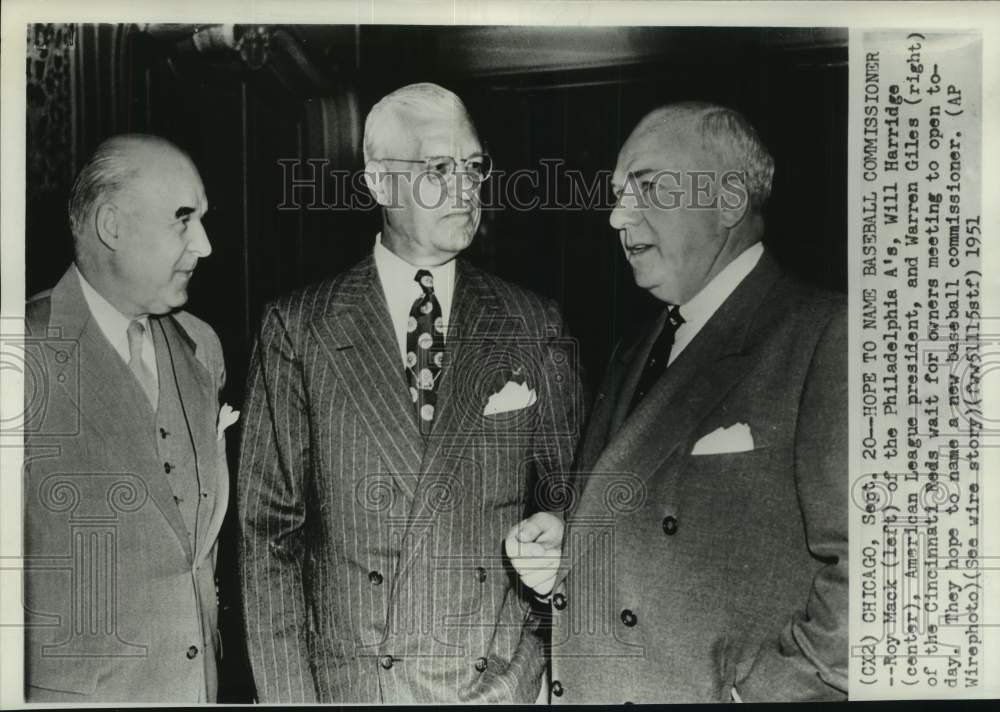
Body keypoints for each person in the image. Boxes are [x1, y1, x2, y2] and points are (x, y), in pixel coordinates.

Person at [237, 82, 580, 703]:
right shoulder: (299, 326)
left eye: (474, 167)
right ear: (378, 183)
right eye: (439, 168)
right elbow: (268, 537)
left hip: (496, 684)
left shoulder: (533, 322)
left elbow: (575, 496)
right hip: (357, 688)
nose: (466, 186)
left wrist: (556, 529)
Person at [507, 101, 848, 703]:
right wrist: (567, 547)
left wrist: (769, 695)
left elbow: (879, 573)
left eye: (646, 187)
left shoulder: (827, 335)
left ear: (729, 200)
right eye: (617, 194)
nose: (616, 216)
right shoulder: (636, 346)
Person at [23, 134, 230, 702]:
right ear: (112, 227)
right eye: (183, 220)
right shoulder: (22, 352)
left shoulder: (201, 348)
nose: (205, 245)